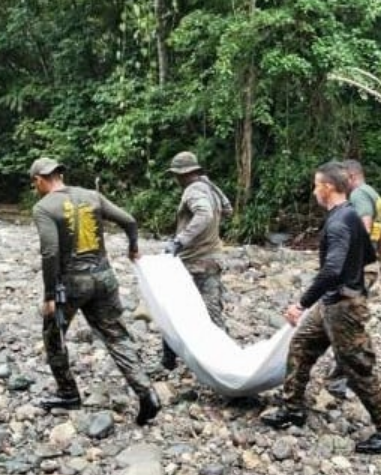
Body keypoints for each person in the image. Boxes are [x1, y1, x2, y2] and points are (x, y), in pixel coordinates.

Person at [261, 161, 381, 454]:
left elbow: (332, 269)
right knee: (301, 346)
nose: (314, 191)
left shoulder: (340, 221)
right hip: (332, 301)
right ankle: (292, 408)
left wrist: (301, 304)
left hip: (343, 308)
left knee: (358, 368)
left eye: (316, 185)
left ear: (327, 187)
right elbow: (367, 256)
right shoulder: (349, 214)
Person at [30, 157, 160, 425]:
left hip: (72, 284)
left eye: (35, 183)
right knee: (117, 336)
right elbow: (130, 221)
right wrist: (133, 248)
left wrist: (50, 296)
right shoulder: (92, 195)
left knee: (53, 335)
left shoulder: (44, 207)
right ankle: (147, 394)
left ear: (40, 180)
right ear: (60, 176)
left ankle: (68, 393)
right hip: (104, 278)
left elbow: (51, 252)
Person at [160, 151, 233, 370]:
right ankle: (226, 358)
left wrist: (180, 241)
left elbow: (205, 214)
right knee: (212, 312)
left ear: (182, 175)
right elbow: (227, 210)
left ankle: (169, 359)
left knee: (172, 310)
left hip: (193, 263)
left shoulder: (192, 190)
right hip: (212, 259)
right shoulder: (210, 187)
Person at [326, 159, 381, 397]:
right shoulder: (373, 193)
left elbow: (364, 225)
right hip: (370, 262)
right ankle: (343, 372)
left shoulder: (359, 195)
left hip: (359, 266)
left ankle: (348, 375)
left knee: (347, 319)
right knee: (346, 317)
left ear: (351, 176)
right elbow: (380, 231)